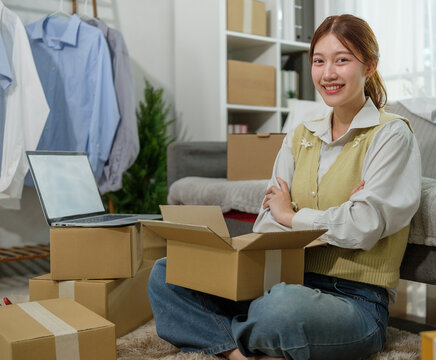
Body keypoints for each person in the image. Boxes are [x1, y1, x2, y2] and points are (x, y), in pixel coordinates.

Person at [148, 14, 421, 360]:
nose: (328, 74)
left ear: (369, 66)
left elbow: (363, 226)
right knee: (167, 271)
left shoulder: (392, 134)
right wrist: (329, 216)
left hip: (355, 301)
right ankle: (239, 353)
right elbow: (267, 221)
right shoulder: (300, 136)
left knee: (281, 310)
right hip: (282, 282)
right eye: (319, 61)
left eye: (342, 60)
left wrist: (292, 217)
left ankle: (224, 332)